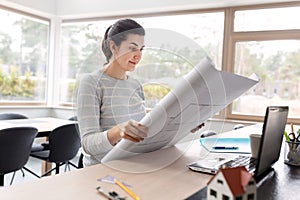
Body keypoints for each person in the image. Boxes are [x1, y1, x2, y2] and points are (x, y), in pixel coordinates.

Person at [76, 19, 148, 166]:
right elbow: (88, 144)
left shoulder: (135, 84)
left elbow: (144, 131)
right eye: (133, 48)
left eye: (141, 49)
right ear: (113, 47)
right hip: (101, 170)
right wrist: (118, 131)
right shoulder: (91, 83)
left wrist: (181, 123)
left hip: (134, 164)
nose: (138, 55)